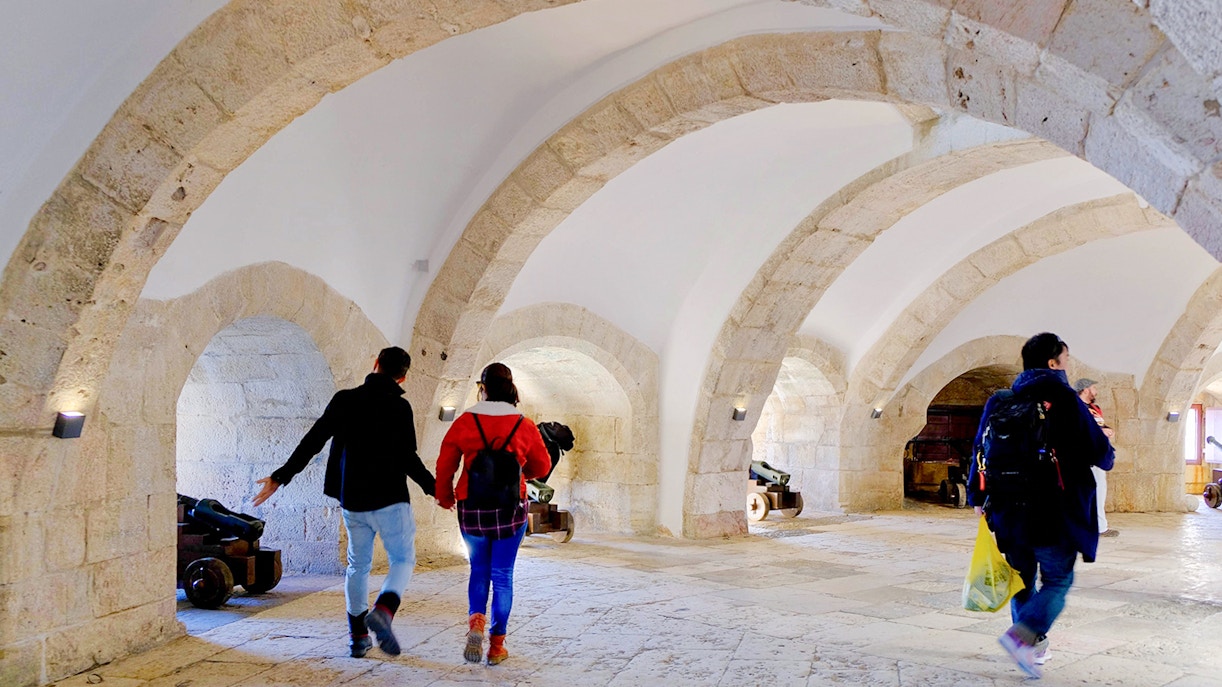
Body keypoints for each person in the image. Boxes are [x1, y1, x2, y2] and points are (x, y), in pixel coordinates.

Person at [251, 346, 436, 659]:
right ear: (403, 377)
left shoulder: (345, 400)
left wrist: (281, 476)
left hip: (353, 500)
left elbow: (313, 441)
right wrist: (437, 489)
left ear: (375, 364)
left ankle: (358, 637)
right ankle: (384, 611)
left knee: (357, 565)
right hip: (391, 499)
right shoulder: (400, 408)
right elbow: (408, 458)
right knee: (402, 560)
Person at [966, 333, 1113, 679]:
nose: (1067, 365)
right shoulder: (1064, 399)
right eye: (1065, 359)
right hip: (1054, 511)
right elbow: (1098, 452)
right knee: (1058, 580)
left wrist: (976, 496)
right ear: (1053, 363)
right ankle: (1023, 637)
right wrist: (1108, 452)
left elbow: (978, 449)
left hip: (1007, 510)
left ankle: (1031, 646)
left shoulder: (1001, 400)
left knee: (1022, 579)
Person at [435, 362, 551, 666]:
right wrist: (518, 468)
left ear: (482, 388)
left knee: (479, 570)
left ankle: (476, 624)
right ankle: (497, 645)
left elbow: (446, 462)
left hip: (472, 507)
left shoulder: (465, 422)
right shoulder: (524, 425)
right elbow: (542, 466)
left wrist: (445, 495)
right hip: (511, 509)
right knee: (503, 575)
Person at [1074, 378, 1118, 537]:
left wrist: (1107, 429)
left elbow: (1098, 426)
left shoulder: (1094, 408)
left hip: (1098, 454)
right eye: (1093, 387)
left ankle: (1099, 526)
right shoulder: (1074, 408)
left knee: (1100, 490)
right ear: (1085, 390)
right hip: (1083, 457)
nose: (1096, 391)